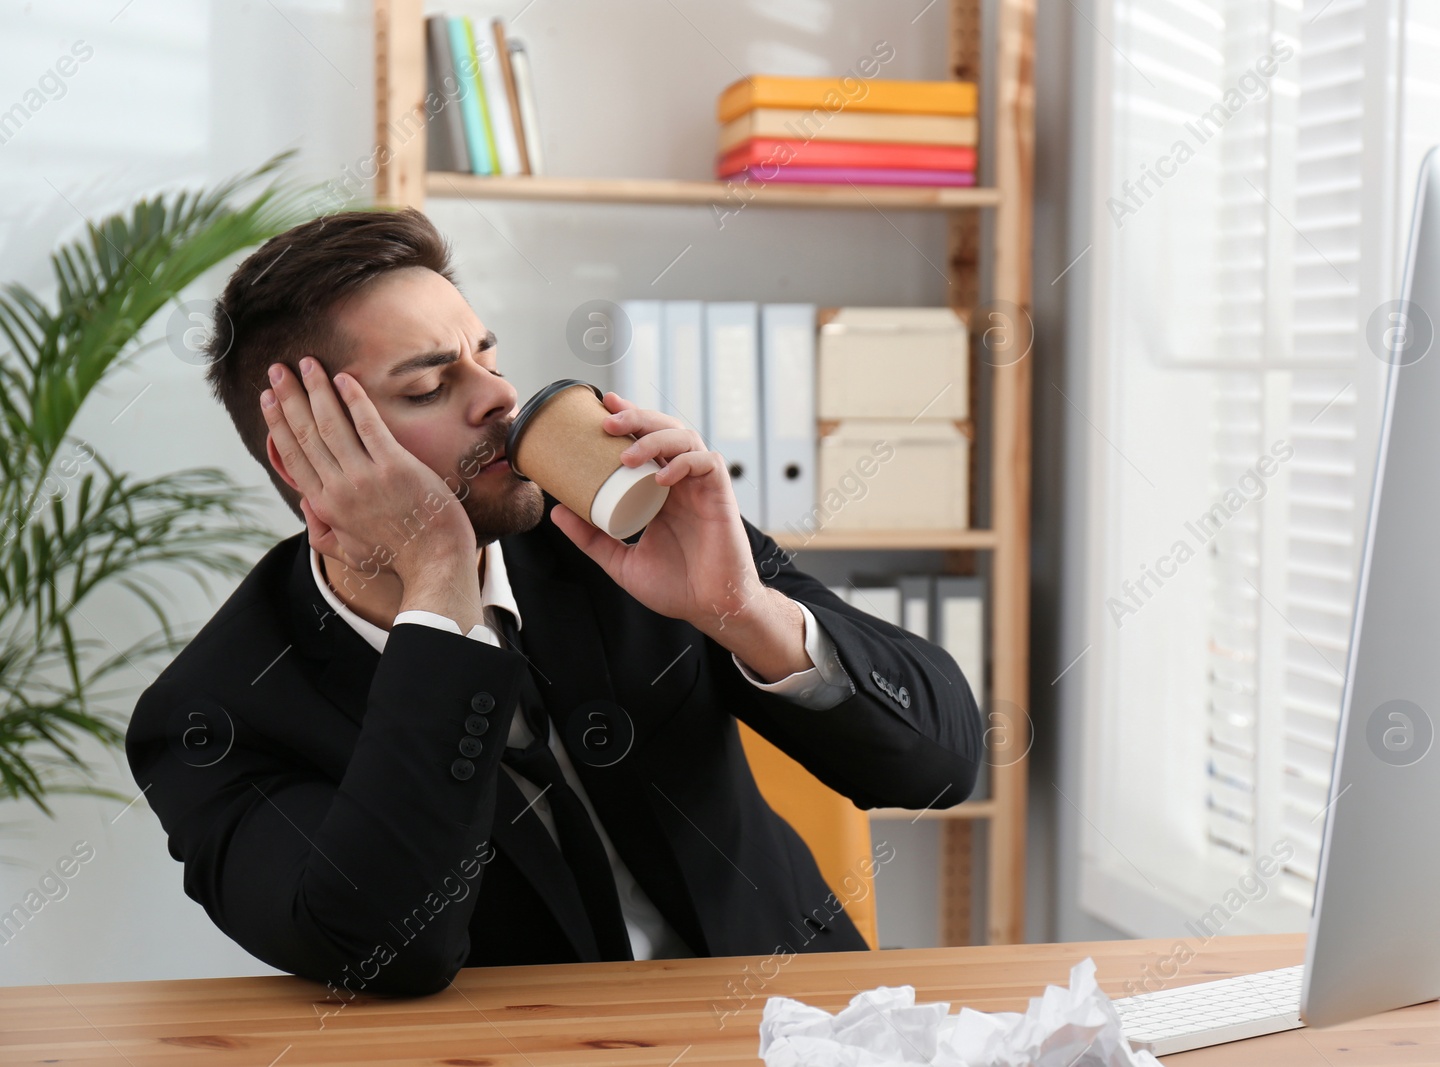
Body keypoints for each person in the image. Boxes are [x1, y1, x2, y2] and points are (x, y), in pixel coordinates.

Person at [124, 208, 983, 998]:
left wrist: (740, 609)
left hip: (797, 1025)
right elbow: (388, 947)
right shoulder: (212, 715)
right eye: (427, 387)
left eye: (488, 356)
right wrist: (438, 593)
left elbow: (941, 764)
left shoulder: (623, 534)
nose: (500, 395)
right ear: (307, 456)